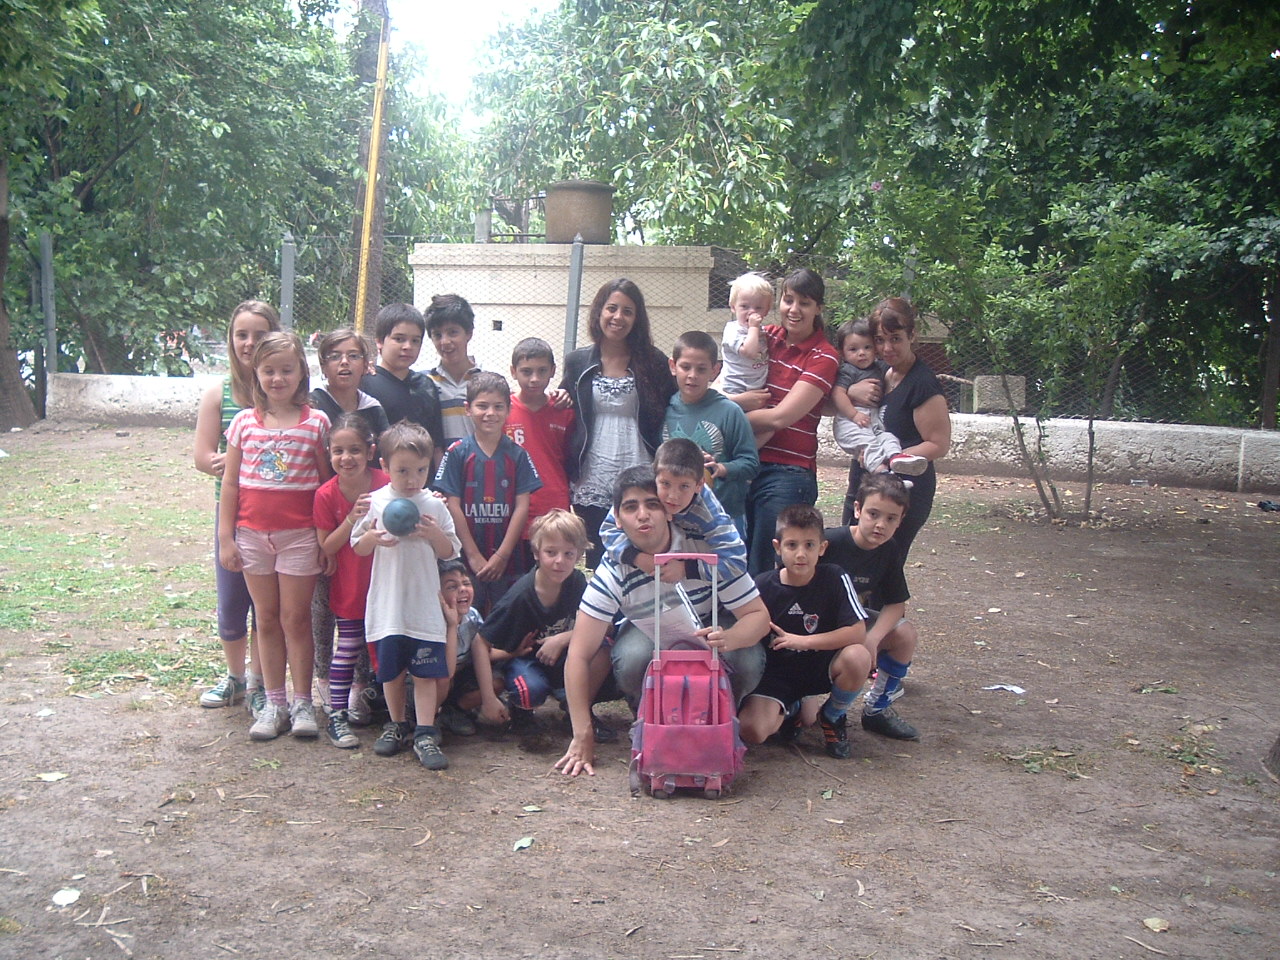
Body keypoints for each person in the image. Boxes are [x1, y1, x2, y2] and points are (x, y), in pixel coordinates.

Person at [555, 466, 770, 778]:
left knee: (745, 659)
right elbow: (578, 654)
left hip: (713, 627)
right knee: (631, 659)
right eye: (631, 507)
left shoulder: (704, 548)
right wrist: (581, 735)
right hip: (652, 633)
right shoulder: (613, 569)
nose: (643, 515)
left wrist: (730, 638)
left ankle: (719, 721)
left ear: (669, 511)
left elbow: (759, 617)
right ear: (617, 519)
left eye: (652, 504)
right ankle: (652, 722)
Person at [218, 331, 332, 741]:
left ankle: (303, 703)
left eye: (286, 369)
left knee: (295, 619)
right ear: (256, 373)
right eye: (269, 370)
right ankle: (274, 702)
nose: (277, 378)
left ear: (301, 371)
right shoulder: (243, 423)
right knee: (265, 619)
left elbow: (324, 486)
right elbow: (230, 485)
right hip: (251, 538)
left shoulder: (317, 423)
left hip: (300, 537)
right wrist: (226, 538)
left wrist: (324, 539)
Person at [351, 422, 462, 770]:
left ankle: (426, 731)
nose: (412, 479)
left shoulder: (434, 505)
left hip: (423, 606)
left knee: (426, 673)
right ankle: (397, 724)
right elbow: (358, 546)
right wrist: (374, 538)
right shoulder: (377, 502)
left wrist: (432, 534)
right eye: (402, 470)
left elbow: (449, 551)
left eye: (420, 470)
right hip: (389, 606)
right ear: (383, 467)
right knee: (392, 672)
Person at [193, 300, 279, 714]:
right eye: (241, 334)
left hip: (275, 519)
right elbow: (202, 458)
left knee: (267, 606)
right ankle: (235, 678)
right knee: (231, 602)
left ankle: (262, 682)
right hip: (231, 516)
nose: (249, 343)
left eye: (259, 335)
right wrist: (237, 457)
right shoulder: (218, 393)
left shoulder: (284, 391)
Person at [738, 504, 872, 760]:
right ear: (777, 547)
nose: (801, 554)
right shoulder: (762, 585)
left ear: (822, 548)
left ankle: (833, 716)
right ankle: (793, 707)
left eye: (809, 545)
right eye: (792, 545)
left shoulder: (834, 577)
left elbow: (857, 632)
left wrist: (803, 641)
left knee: (858, 656)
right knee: (752, 731)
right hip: (776, 674)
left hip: (820, 666)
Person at [561, 278, 676, 568]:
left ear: (637, 319)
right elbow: (561, 401)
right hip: (593, 473)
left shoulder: (654, 361)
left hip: (640, 466)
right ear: (599, 311)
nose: (618, 317)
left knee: (644, 548)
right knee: (601, 554)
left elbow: (680, 404)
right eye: (612, 308)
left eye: (628, 311)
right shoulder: (577, 362)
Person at [471, 509, 615, 739]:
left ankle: (577, 712)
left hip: (562, 658)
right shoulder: (520, 595)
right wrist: (489, 698)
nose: (560, 561)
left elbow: (606, 624)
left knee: (605, 651)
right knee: (530, 690)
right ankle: (521, 714)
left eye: (569, 554)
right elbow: (480, 641)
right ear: (536, 553)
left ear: (578, 557)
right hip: (527, 660)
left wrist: (562, 638)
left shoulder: (577, 582)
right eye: (551, 552)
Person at [736, 268, 841, 575]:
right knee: (734, 550)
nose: (794, 310)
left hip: (789, 472)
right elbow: (727, 376)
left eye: (805, 303)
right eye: (788, 300)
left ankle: (767, 623)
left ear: (818, 308)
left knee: (766, 561)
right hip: (744, 462)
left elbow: (781, 417)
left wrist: (730, 418)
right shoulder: (765, 338)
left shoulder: (825, 356)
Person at [308, 329, 388, 723]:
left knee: (368, 629)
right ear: (322, 363)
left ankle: (365, 691)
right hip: (328, 520)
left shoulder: (373, 409)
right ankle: (328, 685)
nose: (344, 363)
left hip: (374, 567)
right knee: (331, 614)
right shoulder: (314, 405)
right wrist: (348, 516)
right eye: (335, 355)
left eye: (353, 355)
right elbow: (327, 544)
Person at [841, 297, 951, 559]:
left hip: (902, 494)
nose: (887, 347)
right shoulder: (880, 372)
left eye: (896, 339)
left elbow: (938, 444)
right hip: (865, 484)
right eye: (880, 340)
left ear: (912, 335)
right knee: (850, 560)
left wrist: (892, 459)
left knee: (882, 569)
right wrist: (850, 391)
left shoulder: (922, 383)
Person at [822, 473, 921, 741]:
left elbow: (896, 602)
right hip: (816, 625)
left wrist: (872, 638)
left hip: (855, 623)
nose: (880, 525)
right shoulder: (828, 542)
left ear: (901, 521)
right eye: (873, 514)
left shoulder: (889, 550)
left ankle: (877, 708)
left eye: (891, 518)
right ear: (857, 509)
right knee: (803, 717)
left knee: (905, 633)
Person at [434, 371, 542, 615]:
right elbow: (452, 505)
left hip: (508, 560)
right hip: (466, 559)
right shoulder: (457, 453)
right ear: (468, 409)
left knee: (505, 615)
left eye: (498, 406)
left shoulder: (518, 455)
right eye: (482, 406)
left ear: (508, 409)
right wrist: (472, 555)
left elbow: (522, 507)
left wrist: (502, 555)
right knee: (466, 617)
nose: (490, 413)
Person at [598, 437, 748, 582]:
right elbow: (607, 531)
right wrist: (637, 558)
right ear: (654, 475)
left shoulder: (708, 512)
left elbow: (736, 561)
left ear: (699, 485)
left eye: (684, 486)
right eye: (665, 484)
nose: (673, 497)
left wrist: (686, 569)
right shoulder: (643, 489)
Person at [663, 330, 760, 537]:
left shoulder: (729, 412)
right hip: (675, 517)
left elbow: (751, 463)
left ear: (715, 370)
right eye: (685, 367)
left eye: (701, 369)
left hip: (724, 515)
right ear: (673, 366)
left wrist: (721, 468)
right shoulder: (664, 410)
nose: (692, 376)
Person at [505, 337, 575, 566]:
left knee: (553, 573)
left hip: (553, 505)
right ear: (513, 372)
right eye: (526, 371)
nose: (534, 379)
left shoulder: (564, 411)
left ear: (553, 371)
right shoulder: (502, 410)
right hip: (513, 508)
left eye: (542, 371)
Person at [830, 318, 928, 478]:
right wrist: (853, 413)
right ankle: (882, 474)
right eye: (853, 349)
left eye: (867, 347)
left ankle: (896, 459)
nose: (861, 353)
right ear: (842, 352)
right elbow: (836, 393)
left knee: (888, 438)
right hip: (851, 422)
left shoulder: (880, 368)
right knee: (870, 445)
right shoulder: (847, 371)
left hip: (872, 421)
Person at [359, 303, 446, 467]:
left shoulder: (426, 385)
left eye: (415, 341)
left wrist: (440, 486)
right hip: (380, 485)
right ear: (379, 341)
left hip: (420, 485)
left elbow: (436, 446)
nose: (408, 347)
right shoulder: (365, 383)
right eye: (399, 339)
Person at [421, 294, 482, 448]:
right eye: (437, 335)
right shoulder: (424, 382)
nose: (445, 342)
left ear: (469, 333)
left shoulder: (489, 379)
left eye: (453, 332)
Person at [435, 560, 484, 737]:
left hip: (459, 674)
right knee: (443, 681)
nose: (462, 589)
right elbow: (446, 671)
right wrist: (452, 625)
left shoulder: (473, 616)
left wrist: (514, 652)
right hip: (435, 680)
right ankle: (426, 721)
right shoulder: (434, 621)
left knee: (498, 679)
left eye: (466, 583)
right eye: (452, 586)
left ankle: (452, 712)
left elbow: (484, 653)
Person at [720, 271, 773, 396]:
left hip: (757, 386)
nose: (751, 312)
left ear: (766, 310)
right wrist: (753, 327)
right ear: (733, 307)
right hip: (736, 388)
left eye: (758, 308)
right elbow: (749, 352)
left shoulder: (763, 331)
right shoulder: (733, 330)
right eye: (744, 306)